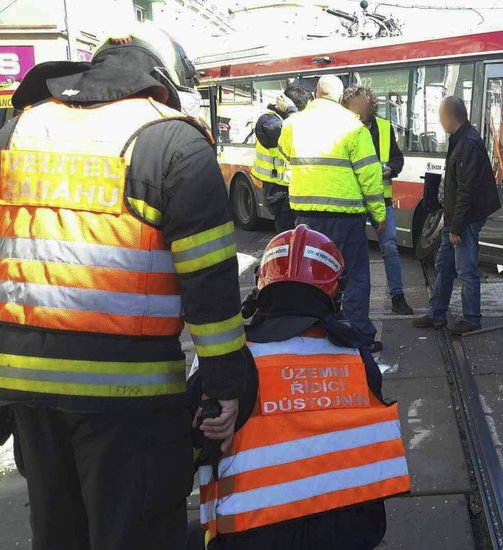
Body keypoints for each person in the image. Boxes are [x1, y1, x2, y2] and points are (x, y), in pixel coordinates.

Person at [0, 22, 246, 550]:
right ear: (163, 79)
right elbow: (210, 285)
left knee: (57, 534)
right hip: (131, 403)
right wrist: (227, 386)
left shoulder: (17, 131)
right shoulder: (173, 141)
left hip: (30, 394)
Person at [197, 225, 410, 549]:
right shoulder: (358, 358)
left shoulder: (228, 361)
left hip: (252, 535)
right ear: (336, 293)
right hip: (353, 535)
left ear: (261, 288)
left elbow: (182, 449)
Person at [279, 75, 386, 352]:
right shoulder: (353, 127)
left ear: (315, 93)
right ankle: (361, 336)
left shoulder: (292, 124)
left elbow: (285, 152)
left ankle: (313, 333)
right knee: (355, 276)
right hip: (346, 217)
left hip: (306, 216)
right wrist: (379, 216)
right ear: (340, 98)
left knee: (311, 276)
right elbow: (369, 175)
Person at [413, 97, 500, 334]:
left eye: (441, 118)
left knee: (466, 269)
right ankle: (437, 313)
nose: (440, 123)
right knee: (444, 265)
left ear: (450, 117)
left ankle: (472, 318)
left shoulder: (468, 143)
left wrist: (456, 228)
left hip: (464, 219)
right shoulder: (461, 139)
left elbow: (466, 190)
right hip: (454, 217)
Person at [341, 85, 413, 316]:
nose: (359, 111)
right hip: (353, 200)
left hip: (381, 199)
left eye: (362, 105)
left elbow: (397, 160)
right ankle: (340, 299)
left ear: (370, 106)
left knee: (390, 248)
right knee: (348, 252)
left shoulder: (383, 127)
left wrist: (389, 169)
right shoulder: (343, 129)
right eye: (354, 107)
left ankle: (397, 296)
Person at [252, 85, 312, 232]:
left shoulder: (286, 119)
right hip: (279, 190)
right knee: (288, 233)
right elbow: (293, 130)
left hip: (294, 187)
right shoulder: (268, 120)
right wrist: (292, 110)